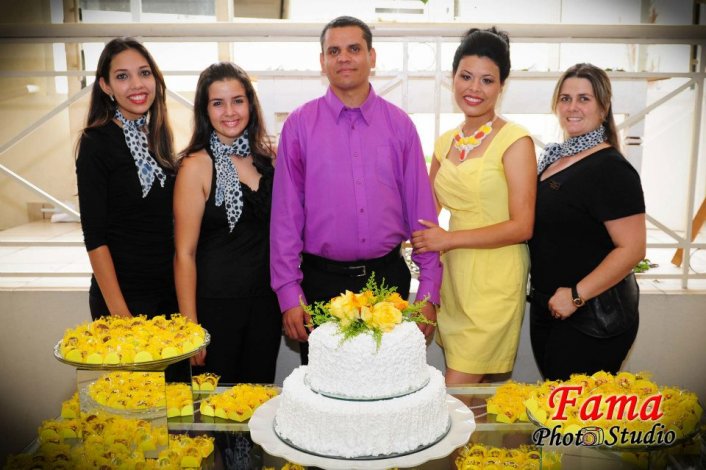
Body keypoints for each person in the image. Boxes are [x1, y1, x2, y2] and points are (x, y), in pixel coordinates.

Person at [270, 16, 442, 363]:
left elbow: (422, 216)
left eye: (354, 49)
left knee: (389, 385)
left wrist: (429, 292)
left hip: (388, 284)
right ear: (322, 61)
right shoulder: (299, 126)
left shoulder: (400, 126)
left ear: (371, 56)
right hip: (321, 286)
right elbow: (286, 218)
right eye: (334, 51)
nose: (344, 58)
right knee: (326, 388)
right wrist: (289, 291)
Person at [411, 28, 537, 385]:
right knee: (474, 404)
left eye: (487, 80)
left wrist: (448, 239)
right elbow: (425, 213)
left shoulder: (515, 140)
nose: (474, 88)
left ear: (501, 86)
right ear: (453, 78)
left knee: (453, 396)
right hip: (455, 277)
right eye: (466, 77)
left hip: (496, 279)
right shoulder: (445, 142)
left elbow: (522, 226)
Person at [528, 63, 645, 381]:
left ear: (603, 108)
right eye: (565, 98)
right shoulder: (555, 158)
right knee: (555, 405)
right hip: (550, 308)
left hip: (592, 316)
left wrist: (577, 295)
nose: (572, 107)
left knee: (577, 410)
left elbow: (632, 248)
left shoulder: (611, 169)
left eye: (584, 99)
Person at [174, 62, 281, 383]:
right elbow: (184, 254)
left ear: (250, 104)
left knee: (258, 401)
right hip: (215, 309)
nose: (230, 112)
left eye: (238, 100)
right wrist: (190, 326)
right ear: (205, 110)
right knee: (215, 407)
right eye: (218, 103)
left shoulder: (268, 160)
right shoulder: (195, 166)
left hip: (266, 306)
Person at [76, 37, 177, 321]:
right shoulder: (95, 143)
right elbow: (95, 238)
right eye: (122, 76)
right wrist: (121, 315)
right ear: (105, 85)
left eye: (144, 73)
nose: (137, 84)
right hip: (123, 303)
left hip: (167, 297)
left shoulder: (158, 137)